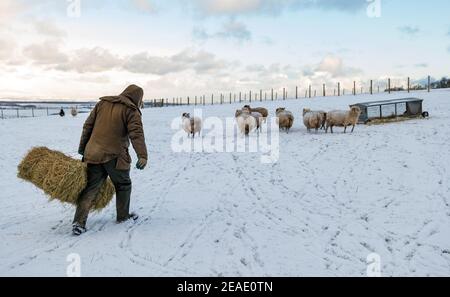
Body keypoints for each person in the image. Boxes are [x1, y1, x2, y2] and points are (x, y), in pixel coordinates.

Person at [73, 85, 148, 236]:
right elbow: (136, 134)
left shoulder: (103, 104)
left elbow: (87, 126)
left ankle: (78, 223)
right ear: (138, 98)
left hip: (93, 154)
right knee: (123, 185)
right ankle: (123, 217)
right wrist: (142, 156)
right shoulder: (130, 110)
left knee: (91, 188)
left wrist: (83, 148)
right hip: (115, 155)